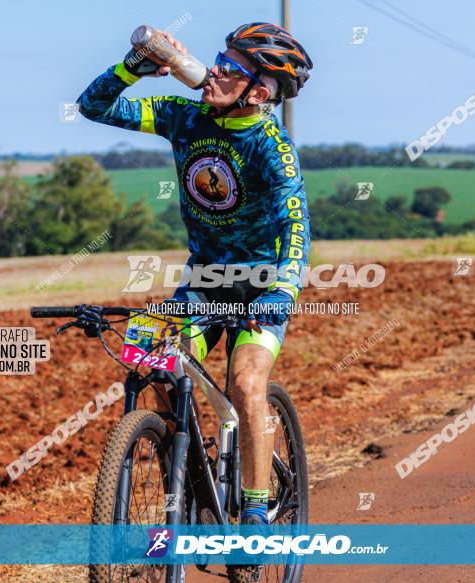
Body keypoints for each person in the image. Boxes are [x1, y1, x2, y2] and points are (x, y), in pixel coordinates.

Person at [77, 22, 313, 526]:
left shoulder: (272, 147)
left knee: (247, 385)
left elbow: (296, 224)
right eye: (218, 60)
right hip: (203, 281)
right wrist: (133, 67)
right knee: (150, 359)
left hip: (263, 286)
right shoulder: (184, 116)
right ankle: (182, 463)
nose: (213, 71)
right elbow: (93, 106)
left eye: (229, 68)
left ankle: (254, 511)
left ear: (259, 92)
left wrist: (283, 289)